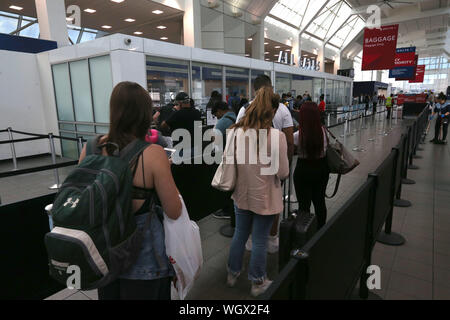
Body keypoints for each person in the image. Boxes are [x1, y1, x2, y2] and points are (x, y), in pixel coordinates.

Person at [77, 81, 182, 300]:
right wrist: (163, 172)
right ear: (145, 114)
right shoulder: (153, 154)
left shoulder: (90, 147)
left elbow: (83, 198)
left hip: (103, 255)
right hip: (144, 261)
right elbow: (174, 211)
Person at [226, 86, 289, 297]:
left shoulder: (237, 132)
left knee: (240, 234)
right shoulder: (276, 136)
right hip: (265, 197)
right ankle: (257, 281)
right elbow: (283, 172)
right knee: (260, 239)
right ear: (271, 111)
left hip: (241, 194)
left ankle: (232, 273)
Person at [236, 75, 294, 253]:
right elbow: (290, 141)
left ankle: (252, 239)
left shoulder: (244, 109)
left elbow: (237, 140)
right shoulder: (283, 110)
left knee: (250, 202)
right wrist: (286, 164)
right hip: (273, 166)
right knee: (273, 202)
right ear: (270, 87)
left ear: (254, 89)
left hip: (249, 168)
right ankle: (272, 239)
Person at [293, 102, 330, 229]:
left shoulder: (298, 136)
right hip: (321, 169)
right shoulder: (324, 132)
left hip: (303, 171)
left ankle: (304, 232)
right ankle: (321, 230)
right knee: (320, 202)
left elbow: (291, 149)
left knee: (304, 205)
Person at [211, 101, 237, 219]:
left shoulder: (222, 122)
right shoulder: (237, 116)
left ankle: (227, 210)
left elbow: (214, 139)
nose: (217, 117)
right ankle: (233, 210)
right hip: (238, 156)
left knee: (225, 183)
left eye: (216, 115)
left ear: (220, 111)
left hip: (226, 156)